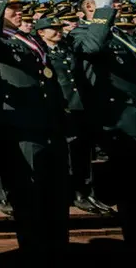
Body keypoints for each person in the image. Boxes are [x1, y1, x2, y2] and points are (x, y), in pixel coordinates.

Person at [0, 0, 69, 267]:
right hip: (20, 129)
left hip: (48, 125)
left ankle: (58, 252)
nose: (19, 12)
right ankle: (35, 256)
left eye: (19, 7)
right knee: (30, 199)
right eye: (11, 8)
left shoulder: (29, 40)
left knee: (55, 195)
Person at [67, 0, 136, 264]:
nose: (118, 5)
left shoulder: (125, 35)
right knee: (134, 198)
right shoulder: (82, 34)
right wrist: (101, 14)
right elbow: (91, 49)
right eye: (111, 1)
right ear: (91, 6)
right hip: (121, 126)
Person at [34, 15, 113, 215]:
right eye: (52, 28)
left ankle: (87, 192)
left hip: (79, 108)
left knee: (83, 154)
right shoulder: (40, 53)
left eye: (59, 27)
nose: (58, 31)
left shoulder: (66, 50)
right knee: (67, 155)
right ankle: (73, 193)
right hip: (60, 110)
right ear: (41, 32)